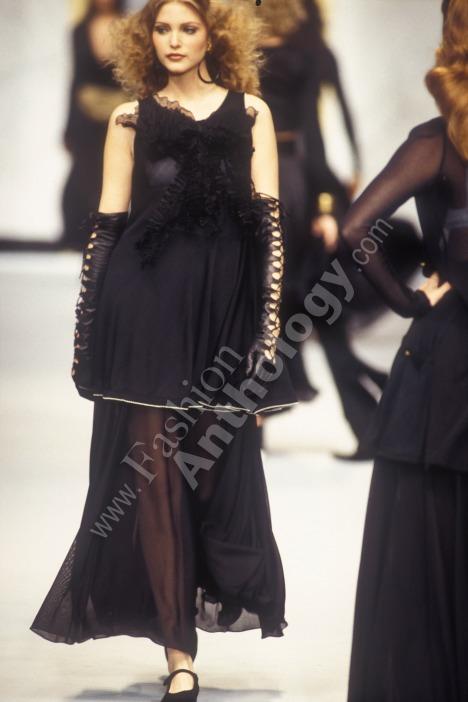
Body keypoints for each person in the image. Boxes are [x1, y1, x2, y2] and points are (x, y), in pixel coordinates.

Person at [29, 1, 298, 700]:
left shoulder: (251, 114)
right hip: (144, 314)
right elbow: (107, 229)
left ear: (214, 36)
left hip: (221, 318)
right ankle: (181, 654)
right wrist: (88, 335)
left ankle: (197, 604)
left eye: (188, 28)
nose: (174, 40)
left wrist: (268, 335)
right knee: (154, 485)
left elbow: (270, 231)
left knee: (208, 475)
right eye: (162, 28)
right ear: (144, 38)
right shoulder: (129, 119)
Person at [342, 0, 468, 697]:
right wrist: (409, 302)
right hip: (447, 363)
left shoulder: (437, 140)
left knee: (435, 536)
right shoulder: (438, 140)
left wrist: (409, 302)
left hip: (446, 357)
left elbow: (356, 228)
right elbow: (355, 228)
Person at [255, 0, 396, 459]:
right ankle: (367, 420)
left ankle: (367, 421)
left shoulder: (306, 50)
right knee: (281, 309)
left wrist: (327, 201)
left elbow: (320, 127)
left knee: (303, 308)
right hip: (273, 184)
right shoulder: (240, 49)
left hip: (291, 186)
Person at [60, 0, 127, 251]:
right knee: (82, 173)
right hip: (85, 114)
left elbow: (135, 75)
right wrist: (68, 125)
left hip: (118, 113)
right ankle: (76, 235)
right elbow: (76, 79)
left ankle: (106, 237)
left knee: (113, 172)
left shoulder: (130, 28)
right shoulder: (80, 29)